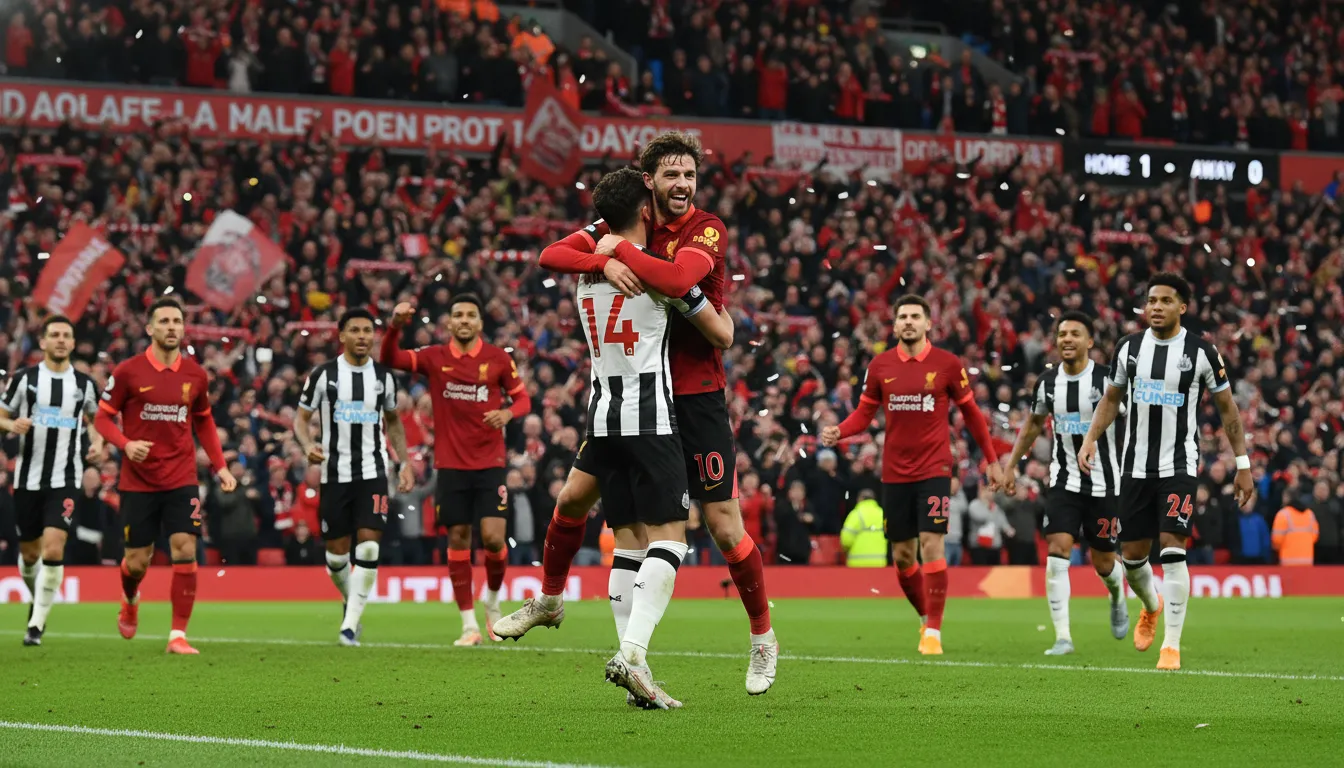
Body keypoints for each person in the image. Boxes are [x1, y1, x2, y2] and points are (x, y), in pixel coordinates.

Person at [531, 131, 778, 695]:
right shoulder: (630, 222)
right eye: (671, 175)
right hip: (639, 397)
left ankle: (763, 638)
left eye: (689, 175)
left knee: (721, 525)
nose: (683, 185)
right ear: (650, 182)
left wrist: (617, 252)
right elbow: (552, 254)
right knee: (628, 530)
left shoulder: (704, 228)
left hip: (695, 396)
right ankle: (630, 659)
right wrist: (603, 251)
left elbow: (676, 279)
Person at [492, 167, 730, 708]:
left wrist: (602, 254)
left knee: (618, 534)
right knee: (670, 538)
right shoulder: (658, 275)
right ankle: (634, 653)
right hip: (652, 419)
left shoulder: (587, 270)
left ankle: (555, 602)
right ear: (647, 211)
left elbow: (552, 253)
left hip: (603, 416)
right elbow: (722, 332)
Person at [1079, 272, 1255, 671]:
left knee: (1173, 550)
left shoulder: (1203, 353)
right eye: (1151, 300)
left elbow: (1229, 410)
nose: (1155, 307)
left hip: (1178, 464)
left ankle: (1171, 647)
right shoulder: (1128, 349)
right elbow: (1110, 400)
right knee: (1134, 557)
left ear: (1183, 307)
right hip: (1134, 467)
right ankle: (1151, 606)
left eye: (1164, 300)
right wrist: (1090, 438)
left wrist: (1242, 464)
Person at [822, 295, 1003, 656]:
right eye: (902, 316)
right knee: (904, 556)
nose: (908, 321)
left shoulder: (948, 365)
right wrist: (840, 431)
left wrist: (992, 460)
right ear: (895, 324)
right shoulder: (880, 366)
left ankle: (934, 631)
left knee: (932, 542)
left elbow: (972, 416)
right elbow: (864, 413)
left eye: (915, 316)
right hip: (894, 473)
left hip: (935, 468)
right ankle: (925, 616)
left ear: (927, 323)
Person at [380, 293, 531, 646]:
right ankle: (468, 625)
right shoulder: (435, 356)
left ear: (480, 323)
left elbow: (523, 398)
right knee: (458, 539)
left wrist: (508, 413)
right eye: (458, 315)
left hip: (490, 463)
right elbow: (390, 358)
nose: (464, 320)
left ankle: (492, 601)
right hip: (450, 466)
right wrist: (395, 327)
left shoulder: (496, 359)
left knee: (494, 538)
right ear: (449, 322)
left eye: (470, 315)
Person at [93, 298, 237, 655]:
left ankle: (177, 635)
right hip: (139, 480)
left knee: (185, 550)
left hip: (182, 476)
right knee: (138, 561)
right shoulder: (128, 371)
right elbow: (101, 418)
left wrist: (220, 467)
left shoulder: (196, 375)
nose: (172, 327)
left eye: (177, 321)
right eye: (165, 321)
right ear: (150, 328)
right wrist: (125, 445)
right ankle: (130, 599)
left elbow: (204, 420)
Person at [999, 311, 1129, 656]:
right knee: (1058, 551)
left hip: (1105, 484)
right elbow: (1032, 425)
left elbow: (1133, 423)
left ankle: (1117, 595)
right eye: (1062, 334)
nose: (1067, 339)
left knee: (1104, 564)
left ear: (1089, 342)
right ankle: (1063, 637)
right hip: (1064, 481)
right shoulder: (1046, 382)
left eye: (1075, 334)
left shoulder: (1107, 380)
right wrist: (1011, 466)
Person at [295, 309, 415, 647]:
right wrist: (307, 445)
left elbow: (393, 421)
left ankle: (349, 626)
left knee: (370, 544)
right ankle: (351, 600)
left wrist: (403, 462)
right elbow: (300, 419)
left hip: (373, 472)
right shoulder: (323, 376)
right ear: (342, 336)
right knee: (336, 557)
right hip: (335, 475)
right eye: (355, 330)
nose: (363, 336)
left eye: (367, 330)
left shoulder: (384, 378)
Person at [0, 315, 103, 646]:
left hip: (66, 477)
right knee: (29, 556)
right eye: (54, 335)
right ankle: (38, 601)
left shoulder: (85, 384)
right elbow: (1, 415)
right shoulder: (24, 379)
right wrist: (10, 426)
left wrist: (98, 442)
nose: (60, 340)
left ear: (73, 343)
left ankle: (36, 625)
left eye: (66, 335)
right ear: (42, 342)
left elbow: (94, 419)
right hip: (28, 480)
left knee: (54, 546)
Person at [839, 488, 886, 567]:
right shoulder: (882, 514)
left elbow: (846, 540)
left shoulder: (856, 514)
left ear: (860, 499)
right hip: (880, 562)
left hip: (857, 563)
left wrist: (845, 550)